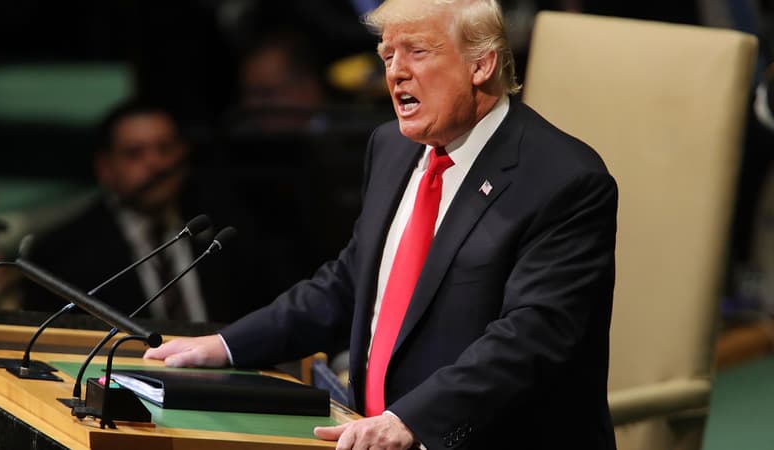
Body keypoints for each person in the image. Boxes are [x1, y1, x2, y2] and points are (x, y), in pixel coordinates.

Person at [146, 0, 618, 448]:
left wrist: (410, 420)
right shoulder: (391, 146)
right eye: (387, 54)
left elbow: (530, 338)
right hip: (364, 435)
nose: (395, 72)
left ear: (482, 65)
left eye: (417, 51)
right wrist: (227, 345)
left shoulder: (564, 180)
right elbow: (352, 284)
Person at [22, 99, 274, 323]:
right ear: (105, 168)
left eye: (165, 149)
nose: (155, 164)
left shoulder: (228, 231)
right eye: (135, 153)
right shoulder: (62, 253)